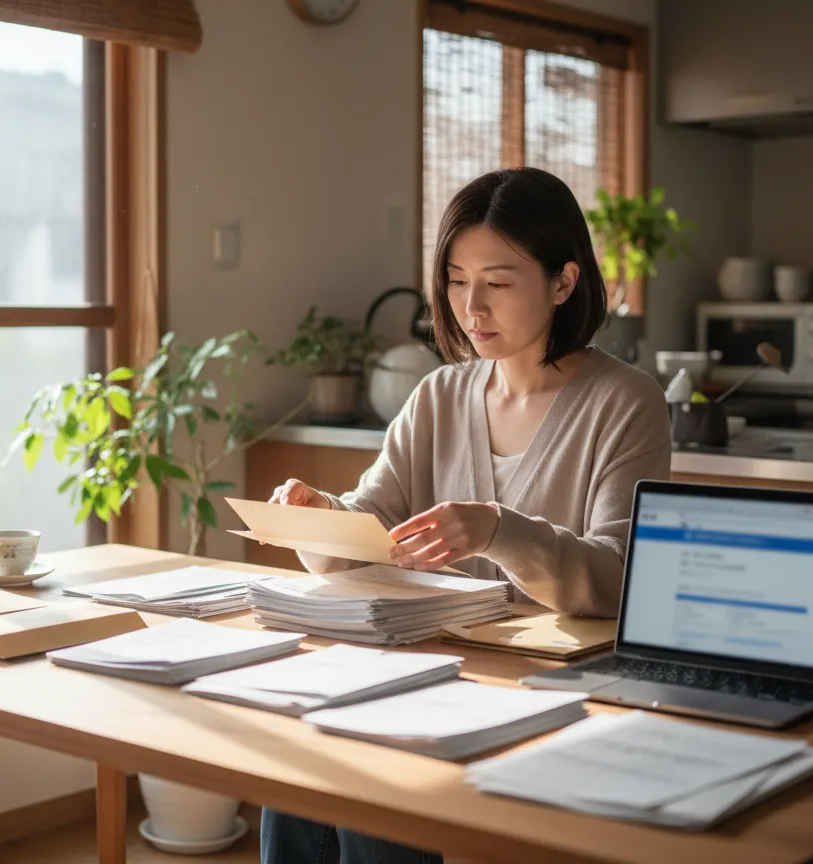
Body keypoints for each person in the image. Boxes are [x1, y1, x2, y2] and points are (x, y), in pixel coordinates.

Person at [259, 167, 672, 864]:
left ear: (564, 282)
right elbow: (367, 535)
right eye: (455, 280)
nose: (470, 307)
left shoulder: (626, 403)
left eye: (498, 282)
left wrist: (501, 530)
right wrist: (317, 515)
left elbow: (621, 578)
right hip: (430, 675)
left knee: (381, 802)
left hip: (549, 690)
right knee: (297, 774)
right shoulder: (438, 396)